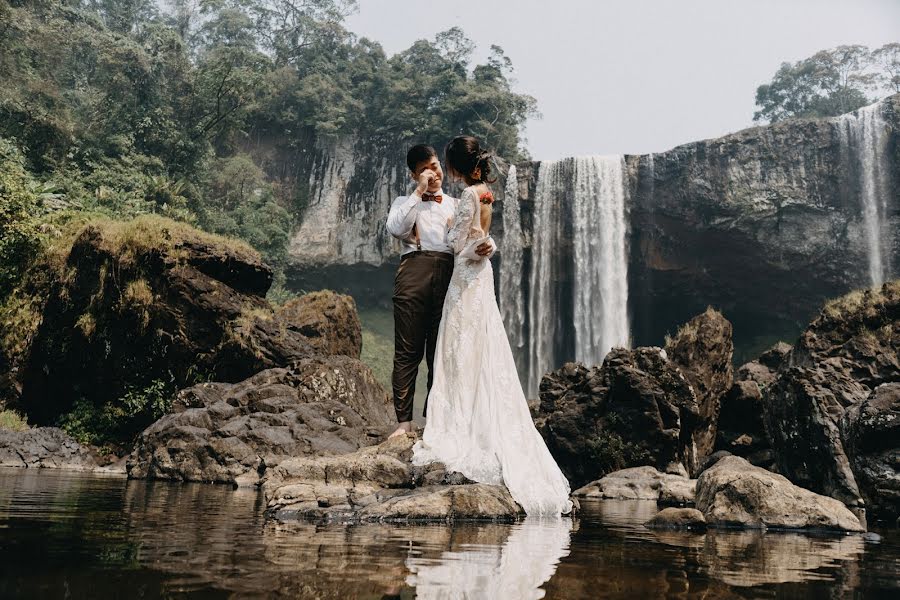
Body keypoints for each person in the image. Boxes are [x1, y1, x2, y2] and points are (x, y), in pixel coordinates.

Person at [411, 136, 573, 517]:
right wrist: (487, 246)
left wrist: (453, 229)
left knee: (457, 345)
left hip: (466, 275)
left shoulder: (469, 196)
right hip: (484, 275)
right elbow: (485, 238)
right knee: (483, 342)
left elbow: (456, 242)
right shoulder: (488, 194)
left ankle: (460, 421)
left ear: (453, 167)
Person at [385, 144, 494, 439]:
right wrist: (419, 193)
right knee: (407, 351)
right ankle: (403, 422)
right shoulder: (403, 202)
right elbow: (396, 229)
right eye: (424, 170)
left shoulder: (458, 203)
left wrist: (488, 247)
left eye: (435, 166)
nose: (433, 173)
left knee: (441, 350)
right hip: (413, 272)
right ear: (413, 175)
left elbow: (476, 237)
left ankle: (435, 420)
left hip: (449, 274)